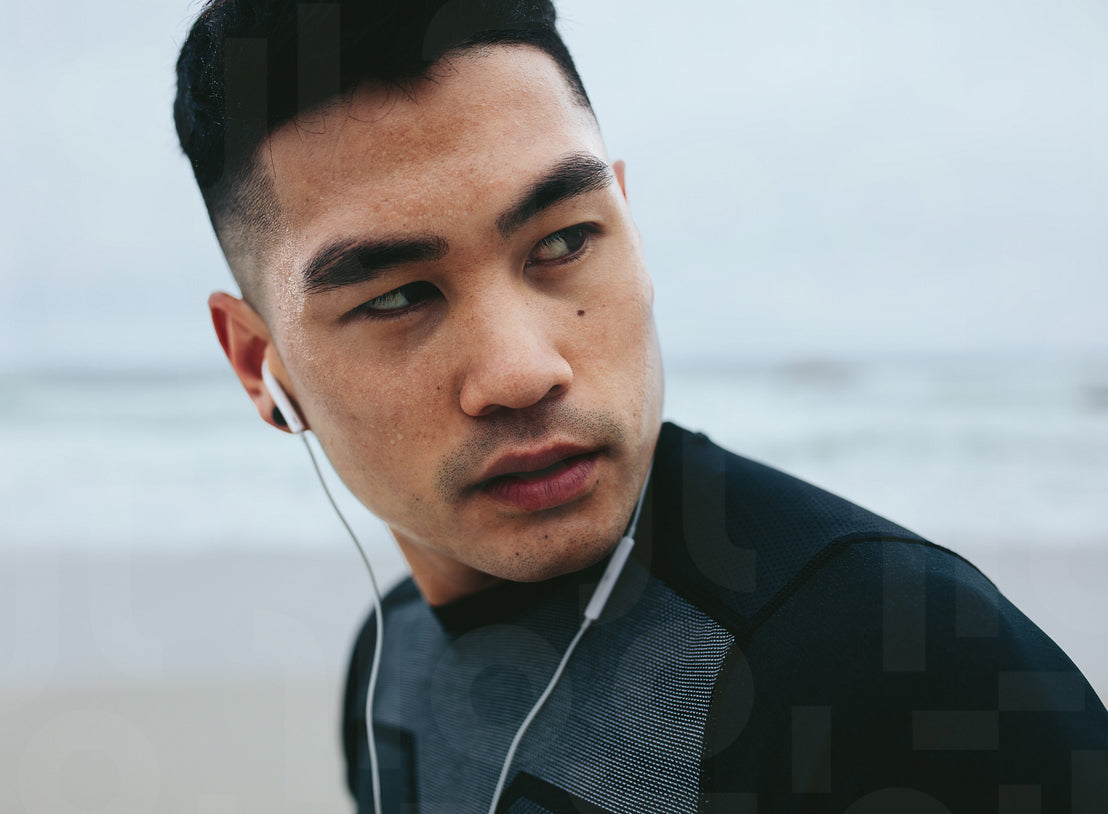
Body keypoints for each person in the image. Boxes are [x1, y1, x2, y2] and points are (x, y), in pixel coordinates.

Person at [172, 1, 1108, 811]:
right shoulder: (390, 667)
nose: (522, 373)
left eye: (564, 242)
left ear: (630, 226)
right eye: (398, 297)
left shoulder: (892, 659)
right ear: (260, 364)